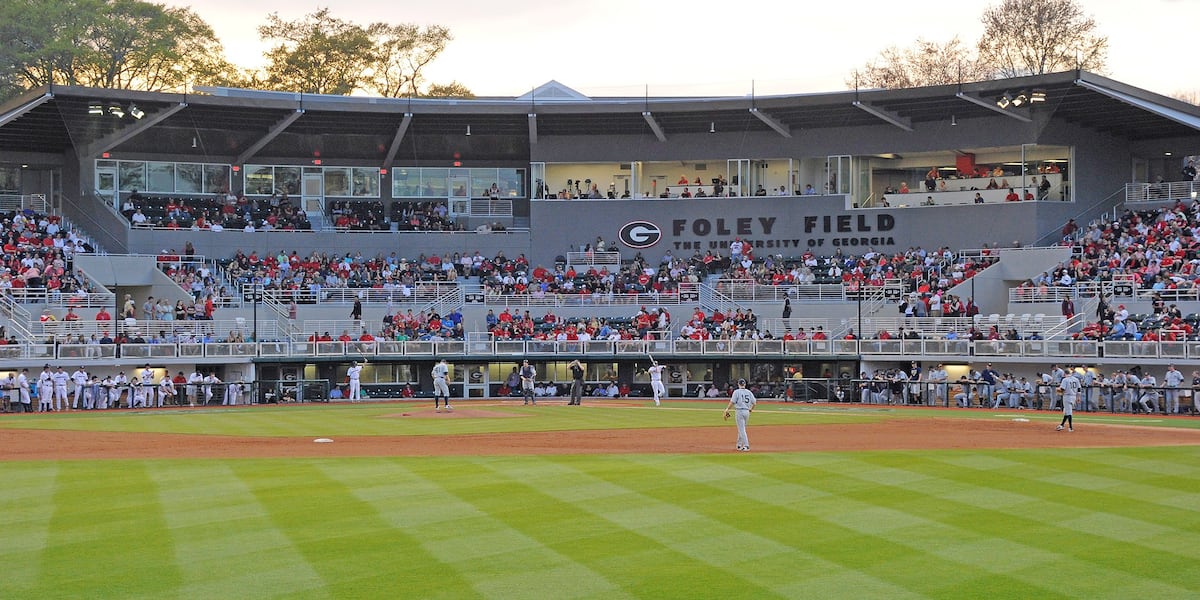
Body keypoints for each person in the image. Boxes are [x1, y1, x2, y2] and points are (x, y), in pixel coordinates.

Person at [723, 378, 757, 451]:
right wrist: (751, 409)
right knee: (742, 428)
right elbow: (754, 403)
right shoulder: (749, 392)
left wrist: (727, 409)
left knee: (741, 429)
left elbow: (732, 402)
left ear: (738, 384)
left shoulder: (736, 392)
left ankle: (746, 445)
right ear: (744, 384)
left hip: (739, 411)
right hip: (747, 412)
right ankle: (738, 445)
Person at [1057, 367, 1081, 432]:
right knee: (1066, 411)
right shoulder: (1076, 379)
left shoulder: (1065, 379)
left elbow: (1062, 389)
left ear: (1065, 374)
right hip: (1074, 396)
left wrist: (1058, 390)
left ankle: (1070, 427)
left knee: (1069, 412)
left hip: (1067, 396)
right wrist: (1078, 397)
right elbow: (1079, 389)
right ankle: (1062, 425)